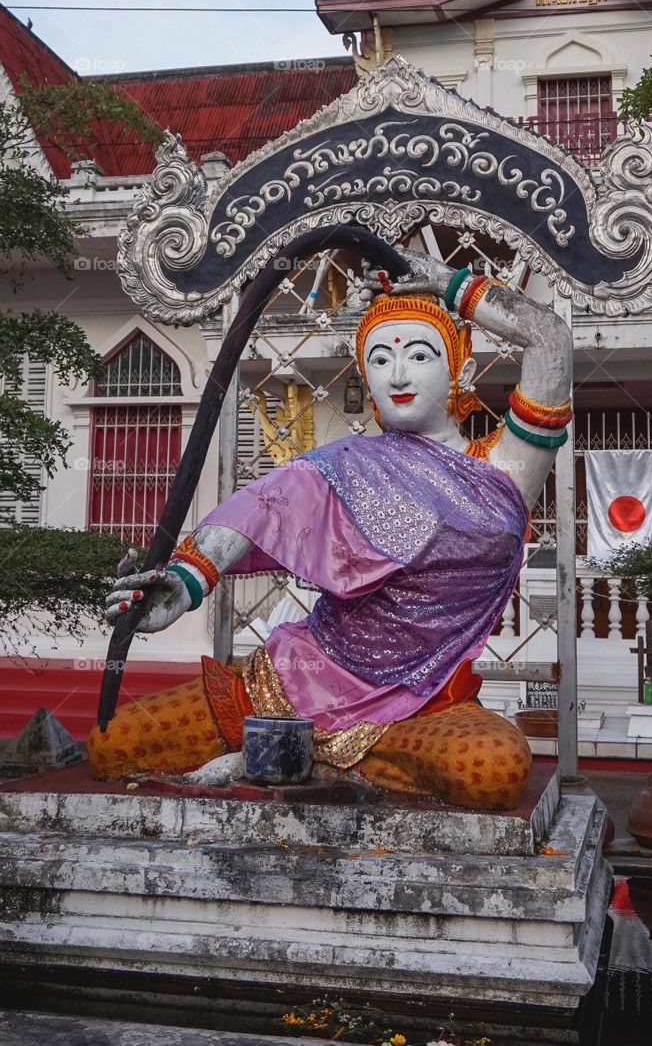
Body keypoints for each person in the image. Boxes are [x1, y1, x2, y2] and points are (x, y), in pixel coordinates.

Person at [89, 248, 573, 811]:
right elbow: (262, 509)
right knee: (111, 745)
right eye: (379, 360)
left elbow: (550, 343)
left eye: (419, 355)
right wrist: (188, 580)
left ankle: (304, 755)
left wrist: (450, 284)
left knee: (495, 770)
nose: (398, 375)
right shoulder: (343, 466)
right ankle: (304, 747)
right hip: (295, 679)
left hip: (423, 702)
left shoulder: (506, 469)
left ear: (459, 370)